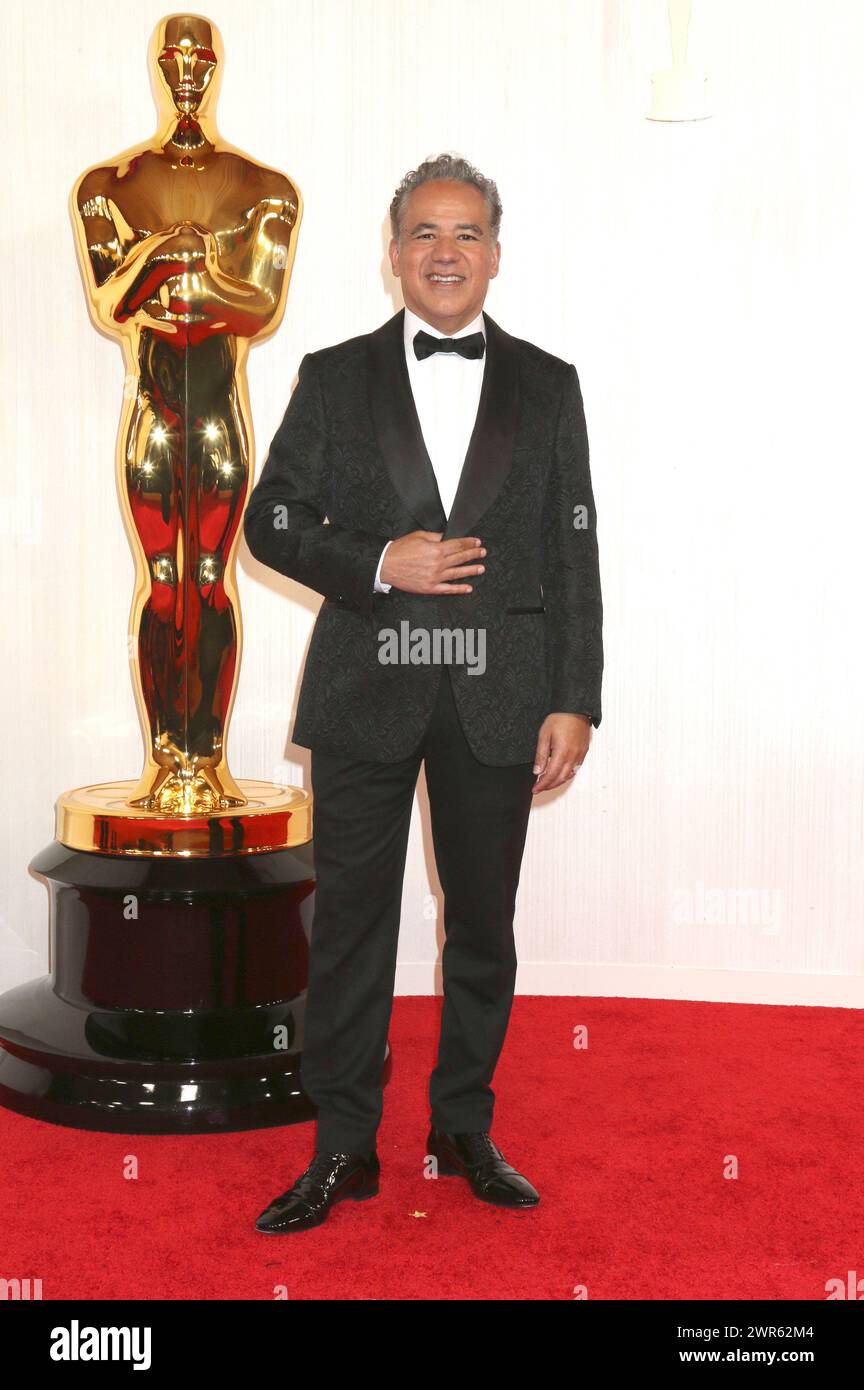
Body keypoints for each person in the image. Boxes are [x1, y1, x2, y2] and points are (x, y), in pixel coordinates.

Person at [243, 153, 603, 1233]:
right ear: (394, 251)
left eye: (466, 234)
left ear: (494, 252)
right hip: (364, 688)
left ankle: (463, 1126)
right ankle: (344, 1144)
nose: (444, 253)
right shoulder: (333, 373)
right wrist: (373, 560)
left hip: (505, 695)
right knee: (351, 923)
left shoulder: (550, 385)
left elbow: (573, 551)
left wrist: (574, 695)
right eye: (424, 235)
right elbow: (270, 519)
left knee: (481, 924)